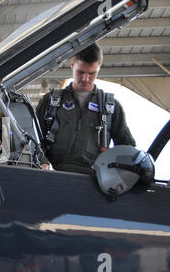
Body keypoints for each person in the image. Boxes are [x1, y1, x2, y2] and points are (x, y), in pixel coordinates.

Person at [35, 43, 136, 174]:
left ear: (99, 68)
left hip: (92, 180)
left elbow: (126, 147)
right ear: (72, 65)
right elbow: (34, 137)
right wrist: (42, 160)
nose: (85, 78)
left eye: (91, 73)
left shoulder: (111, 108)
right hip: (53, 174)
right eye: (80, 72)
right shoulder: (50, 101)